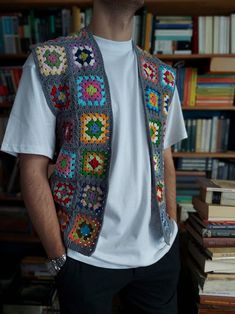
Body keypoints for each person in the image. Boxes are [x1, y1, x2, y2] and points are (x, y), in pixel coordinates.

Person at [1, 0, 187, 313]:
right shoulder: (50, 62)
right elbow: (32, 168)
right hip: (84, 260)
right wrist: (60, 259)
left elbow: (165, 159)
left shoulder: (161, 76)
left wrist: (171, 229)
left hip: (158, 255)